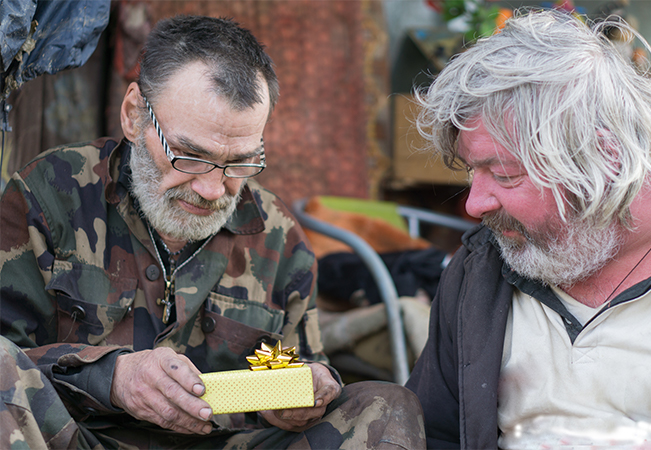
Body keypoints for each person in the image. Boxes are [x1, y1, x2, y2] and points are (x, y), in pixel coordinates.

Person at [0, 15, 425, 449]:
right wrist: (110, 377)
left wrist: (306, 391)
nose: (211, 189)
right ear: (134, 117)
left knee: (386, 405)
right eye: (189, 156)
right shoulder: (47, 194)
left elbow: (298, 370)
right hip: (74, 439)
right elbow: (9, 358)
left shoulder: (278, 236)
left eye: (240, 162)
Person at [404, 8, 651, 449]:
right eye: (473, 171)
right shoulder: (479, 269)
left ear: (605, 158)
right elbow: (434, 431)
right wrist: (281, 393)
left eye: (506, 175)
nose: (474, 205)